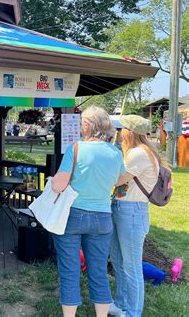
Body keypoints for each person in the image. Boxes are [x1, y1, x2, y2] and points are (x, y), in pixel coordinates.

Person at [51, 106, 125, 317]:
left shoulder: (75, 149)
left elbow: (59, 185)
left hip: (73, 215)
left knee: (70, 271)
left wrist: (54, 181)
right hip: (103, 217)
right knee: (99, 271)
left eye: (81, 122)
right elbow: (118, 181)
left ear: (88, 126)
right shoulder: (115, 153)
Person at [109, 115, 164, 317]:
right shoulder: (135, 152)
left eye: (121, 129)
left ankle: (133, 312)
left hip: (131, 212)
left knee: (131, 267)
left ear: (129, 132)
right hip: (122, 208)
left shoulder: (138, 154)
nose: (118, 133)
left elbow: (117, 180)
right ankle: (121, 303)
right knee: (117, 259)